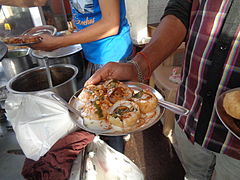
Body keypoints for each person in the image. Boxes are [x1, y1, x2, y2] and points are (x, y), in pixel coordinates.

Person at [85, 0, 240, 179]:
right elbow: (180, 11)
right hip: (191, 113)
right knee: (193, 174)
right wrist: (139, 67)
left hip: (234, 145)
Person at [1, 0, 133, 153]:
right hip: (92, 52)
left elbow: (111, 25)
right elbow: (39, 1)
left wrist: (58, 42)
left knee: (111, 117)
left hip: (112, 53)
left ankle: (115, 160)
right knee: (99, 109)